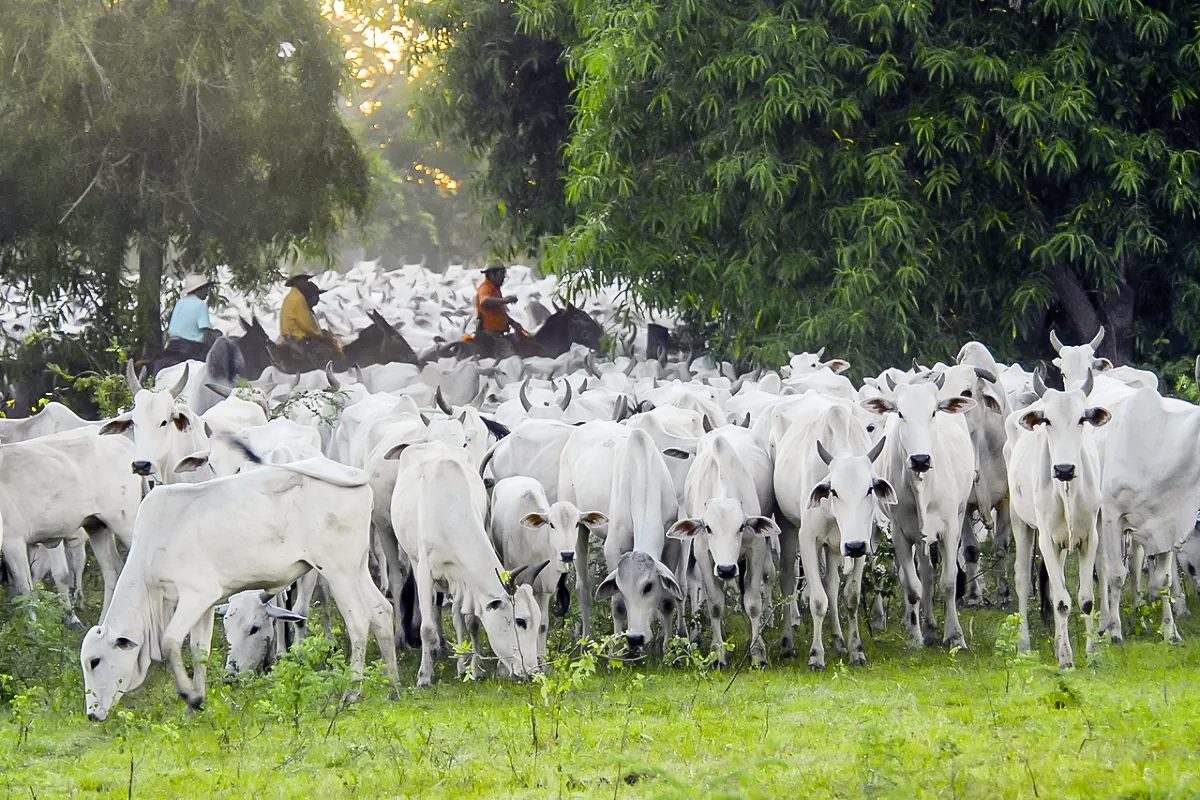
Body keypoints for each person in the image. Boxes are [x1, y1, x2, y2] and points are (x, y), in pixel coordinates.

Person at [279, 274, 343, 367]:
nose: (306, 282)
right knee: (327, 351)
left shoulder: (291, 296)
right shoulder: (298, 299)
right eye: (303, 280)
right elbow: (306, 324)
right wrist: (320, 335)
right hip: (298, 337)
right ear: (296, 282)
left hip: (291, 335)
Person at [473, 264, 525, 356]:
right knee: (512, 359)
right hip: (490, 337)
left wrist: (512, 322)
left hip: (498, 334)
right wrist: (505, 300)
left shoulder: (495, 290)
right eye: (501, 274)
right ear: (492, 274)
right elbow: (484, 301)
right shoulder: (485, 288)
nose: (504, 277)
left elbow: (499, 313)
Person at [165, 273, 216, 362]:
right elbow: (206, 331)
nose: (207, 292)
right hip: (191, 348)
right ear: (198, 290)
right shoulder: (201, 304)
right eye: (205, 289)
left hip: (172, 345)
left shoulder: (180, 302)